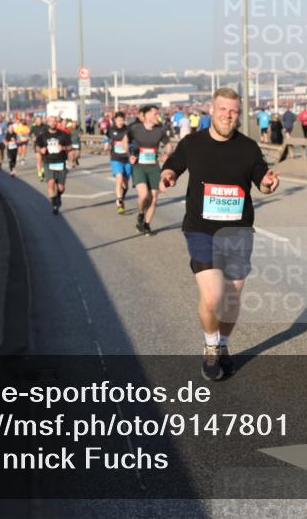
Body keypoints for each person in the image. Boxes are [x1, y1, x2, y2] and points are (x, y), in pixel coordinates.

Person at [159, 88, 280, 380]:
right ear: (212, 110)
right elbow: (175, 165)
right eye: (223, 109)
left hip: (238, 231)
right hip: (201, 229)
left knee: (231, 297)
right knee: (213, 296)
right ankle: (211, 345)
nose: (228, 115)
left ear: (239, 114)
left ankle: (223, 344)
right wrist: (169, 175)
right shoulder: (193, 142)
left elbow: (261, 181)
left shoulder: (248, 147)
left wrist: (267, 183)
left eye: (233, 111)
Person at [128, 105, 171, 236]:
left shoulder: (160, 130)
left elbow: (169, 145)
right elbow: (125, 142)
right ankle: (141, 214)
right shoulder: (135, 129)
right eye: (153, 114)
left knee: (153, 199)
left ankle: (146, 225)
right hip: (139, 166)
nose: (156, 116)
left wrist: (167, 154)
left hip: (154, 167)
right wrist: (129, 155)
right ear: (145, 115)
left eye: (157, 114)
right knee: (143, 195)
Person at [36, 116, 74, 214]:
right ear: (47, 123)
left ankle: (58, 196)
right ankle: (54, 204)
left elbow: (70, 147)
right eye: (50, 121)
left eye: (54, 121)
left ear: (56, 123)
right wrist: (41, 150)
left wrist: (63, 148)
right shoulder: (43, 135)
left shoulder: (63, 134)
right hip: (48, 162)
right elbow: (36, 147)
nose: (52, 123)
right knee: (51, 182)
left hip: (61, 162)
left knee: (61, 187)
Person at [107, 111, 133, 214]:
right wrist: (105, 143)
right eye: (118, 120)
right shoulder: (111, 129)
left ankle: (121, 197)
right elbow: (106, 138)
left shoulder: (128, 130)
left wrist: (127, 146)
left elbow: (133, 143)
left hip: (127, 159)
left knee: (126, 185)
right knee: (119, 178)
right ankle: (119, 200)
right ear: (115, 120)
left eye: (122, 120)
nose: (120, 122)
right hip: (116, 158)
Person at [30, 116, 47, 181]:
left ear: (41, 120)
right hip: (37, 145)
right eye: (37, 120)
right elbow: (30, 134)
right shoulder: (33, 127)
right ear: (35, 121)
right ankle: (40, 174)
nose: (39, 121)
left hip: (44, 145)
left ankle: (42, 171)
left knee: (44, 160)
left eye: (40, 120)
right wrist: (32, 137)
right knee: (39, 159)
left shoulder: (45, 126)